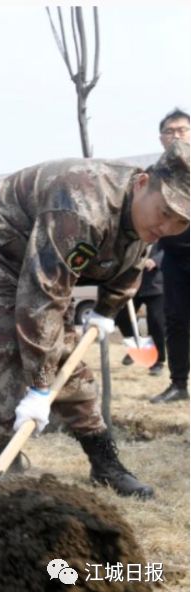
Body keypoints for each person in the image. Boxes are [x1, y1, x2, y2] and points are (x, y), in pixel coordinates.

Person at [0, 141, 189, 499]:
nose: (168, 226)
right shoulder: (82, 206)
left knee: (63, 349)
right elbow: (40, 299)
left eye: (182, 221)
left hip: (45, 257)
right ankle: (5, 464)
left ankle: (105, 462)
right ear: (142, 183)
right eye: (166, 212)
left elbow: (131, 265)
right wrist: (40, 386)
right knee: (4, 350)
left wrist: (106, 311)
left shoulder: (145, 216)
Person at [151, 109, 190, 404]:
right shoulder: (156, 175)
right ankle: (178, 384)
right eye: (170, 131)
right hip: (175, 259)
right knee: (176, 321)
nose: (177, 136)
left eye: (182, 130)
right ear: (162, 138)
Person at [115, 243, 165, 374]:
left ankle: (159, 361)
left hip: (156, 284)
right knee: (122, 317)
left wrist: (155, 260)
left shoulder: (165, 233)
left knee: (156, 323)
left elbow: (169, 251)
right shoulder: (138, 234)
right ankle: (137, 348)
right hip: (133, 284)